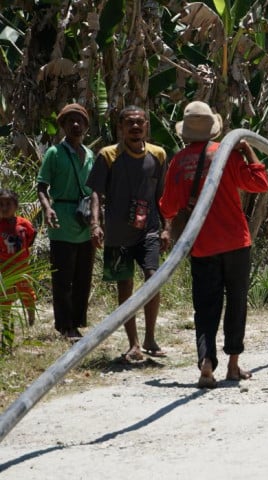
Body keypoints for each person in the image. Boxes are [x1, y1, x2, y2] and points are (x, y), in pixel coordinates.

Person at [159, 100, 268, 388]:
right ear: (212, 130)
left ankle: (206, 362)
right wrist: (246, 149)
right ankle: (233, 365)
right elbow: (260, 183)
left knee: (206, 307)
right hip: (236, 242)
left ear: (186, 133)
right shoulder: (226, 154)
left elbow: (168, 207)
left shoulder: (178, 162)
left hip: (203, 246)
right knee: (236, 303)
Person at [87, 105, 168, 362]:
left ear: (146, 126)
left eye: (140, 122)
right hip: (118, 232)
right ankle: (133, 343)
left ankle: (150, 337)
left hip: (149, 230)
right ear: (120, 128)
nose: (135, 127)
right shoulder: (107, 156)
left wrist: (167, 228)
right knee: (125, 285)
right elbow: (96, 193)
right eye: (129, 123)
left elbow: (163, 196)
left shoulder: (158, 155)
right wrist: (95, 224)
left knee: (153, 279)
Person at [36, 103, 96, 340]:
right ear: (62, 125)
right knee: (63, 276)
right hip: (62, 218)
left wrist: (96, 221)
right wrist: (48, 208)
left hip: (85, 220)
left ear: (86, 126)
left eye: (79, 120)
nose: (75, 124)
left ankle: (77, 321)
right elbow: (42, 185)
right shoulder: (54, 153)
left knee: (84, 275)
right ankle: (64, 325)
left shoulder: (90, 155)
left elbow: (94, 191)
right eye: (70, 120)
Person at [0, 189, 37, 326]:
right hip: (4, 267)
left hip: (21, 266)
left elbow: (31, 236)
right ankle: (6, 322)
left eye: (8, 204)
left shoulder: (24, 223)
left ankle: (31, 316)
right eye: (1, 204)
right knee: (5, 295)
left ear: (16, 206)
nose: (4, 208)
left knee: (26, 292)